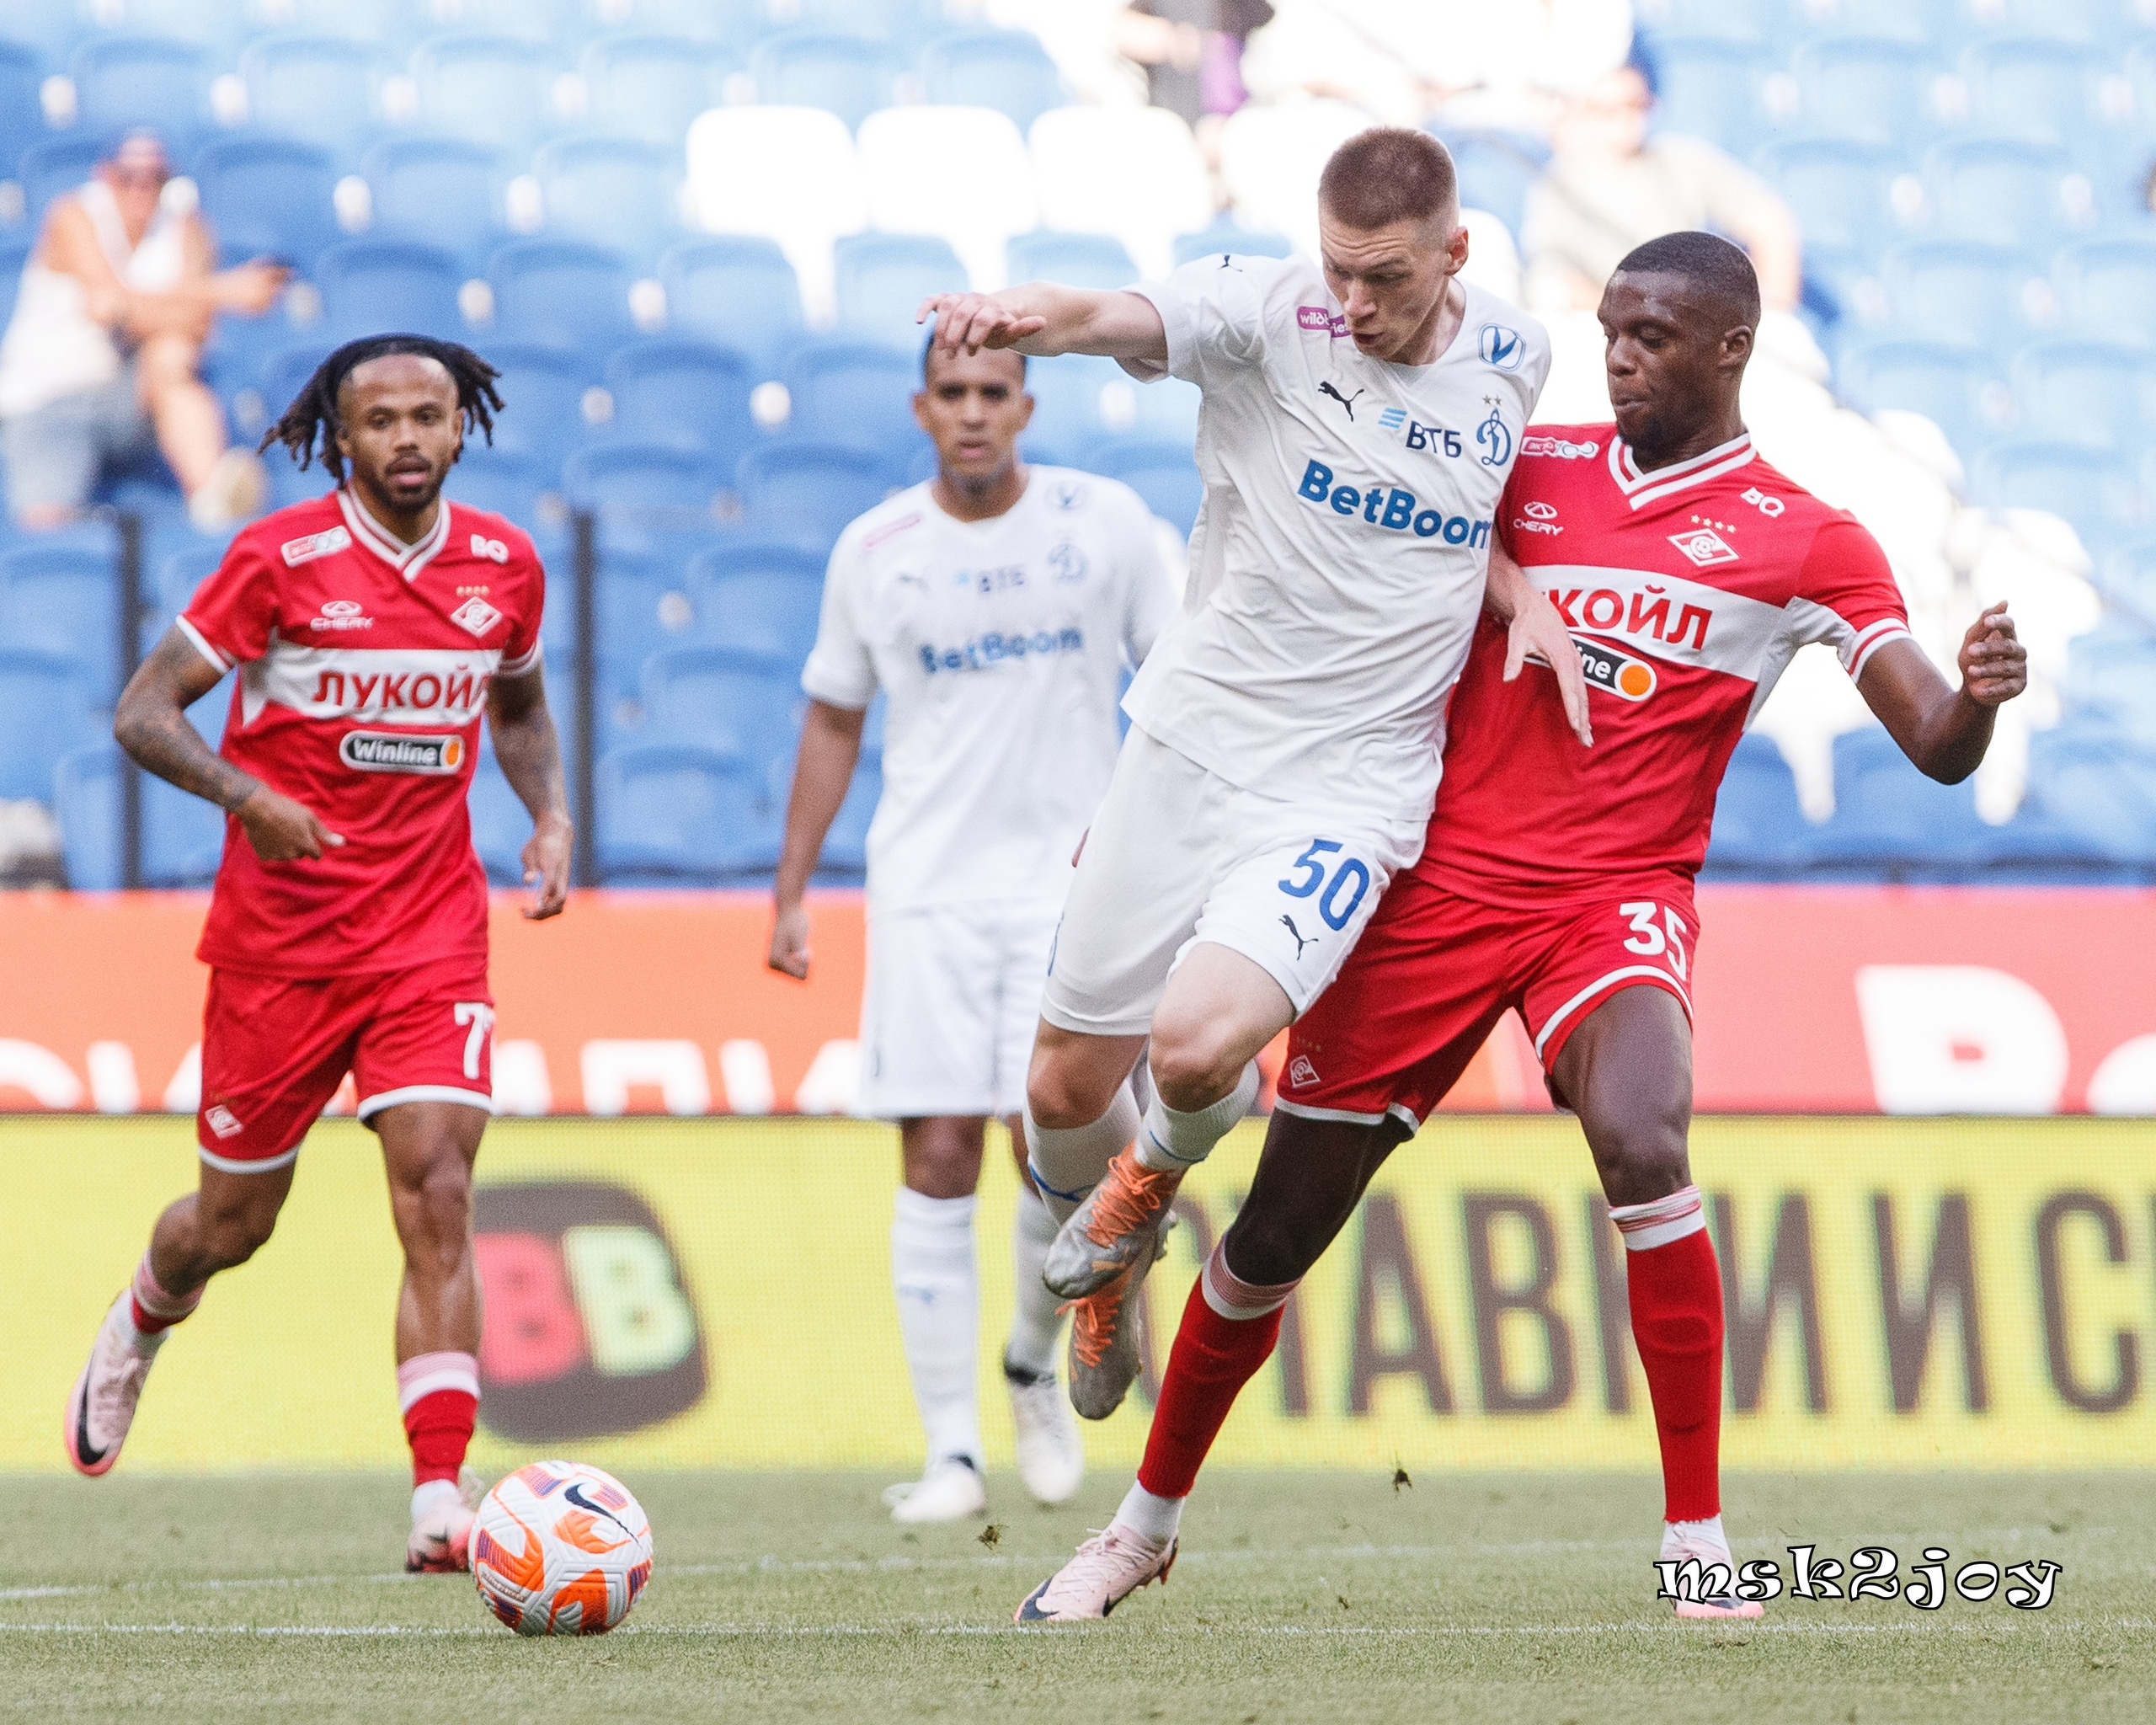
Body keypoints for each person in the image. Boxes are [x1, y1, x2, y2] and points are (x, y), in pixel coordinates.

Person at [1014, 232, 2029, 1623]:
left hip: (1611, 904)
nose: (1618, 354)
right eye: (1610, 327)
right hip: (1430, 886)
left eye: (1654, 336)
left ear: (1731, 349)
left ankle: (1696, 1538)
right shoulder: (1522, 463)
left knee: (1645, 1132)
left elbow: (1933, 741)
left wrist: (1974, 697)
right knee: (1270, 1241)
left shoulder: (1806, 538)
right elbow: (1360, 562)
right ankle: (1143, 1523)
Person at [918, 127, 1588, 1434]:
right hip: (1192, 743)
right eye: (1340, 269)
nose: (1356, 303)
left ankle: (1140, 1195)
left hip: (1354, 782)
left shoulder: (1518, 354)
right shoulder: (1267, 310)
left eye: (1386, 277)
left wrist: (1524, 592)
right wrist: (1020, 316)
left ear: (1458, 254)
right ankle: (1112, 1275)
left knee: (1197, 1042)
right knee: (1059, 1090)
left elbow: (1448, 520)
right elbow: (1109, 307)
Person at [62, 334, 574, 1577]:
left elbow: (516, 708)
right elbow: (142, 711)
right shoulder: (279, 561)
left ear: (464, 427)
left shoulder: (504, 566)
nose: (407, 438)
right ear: (339, 438)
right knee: (232, 1225)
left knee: (440, 1188)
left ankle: (442, 1501)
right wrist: (247, 797)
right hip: (280, 948)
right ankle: (145, 1312)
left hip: (429, 934)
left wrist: (551, 814)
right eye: (382, 420)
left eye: (429, 416)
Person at [768, 338, 1178, 1523]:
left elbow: (1180, 681)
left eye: (994, 393)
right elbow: (834, 717)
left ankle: (1029, 1365)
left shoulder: (1106, 524)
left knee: (1051, 1149)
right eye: (953, 395)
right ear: (923, 409)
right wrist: (795, 891)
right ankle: (952, 1453)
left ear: (1025, 405)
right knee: (937, 1152)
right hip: (927, 891)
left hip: (1073, 886)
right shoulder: (877, 550)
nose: (974, 413)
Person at [0, 130, 286, 529]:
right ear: (104, 175)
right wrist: (224, 289)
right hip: (49, 397)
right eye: (128, 176)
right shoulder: (73, 214)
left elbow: (189, 325)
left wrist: (144, 311)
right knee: (48, 530)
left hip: (130, 398)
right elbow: (109, 305)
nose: (143, 189)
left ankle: (213, 504)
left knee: (173, 350)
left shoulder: (186, 226)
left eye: (156, 178)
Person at [1520, 46, 1803, 316]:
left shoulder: (1683, 159)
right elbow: (1553, 281)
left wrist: (1774, 308)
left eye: (1635, 105)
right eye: (1608, 109)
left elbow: (1768, 219)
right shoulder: (1558, 181)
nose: (1624, 120)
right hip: (1604, 332)